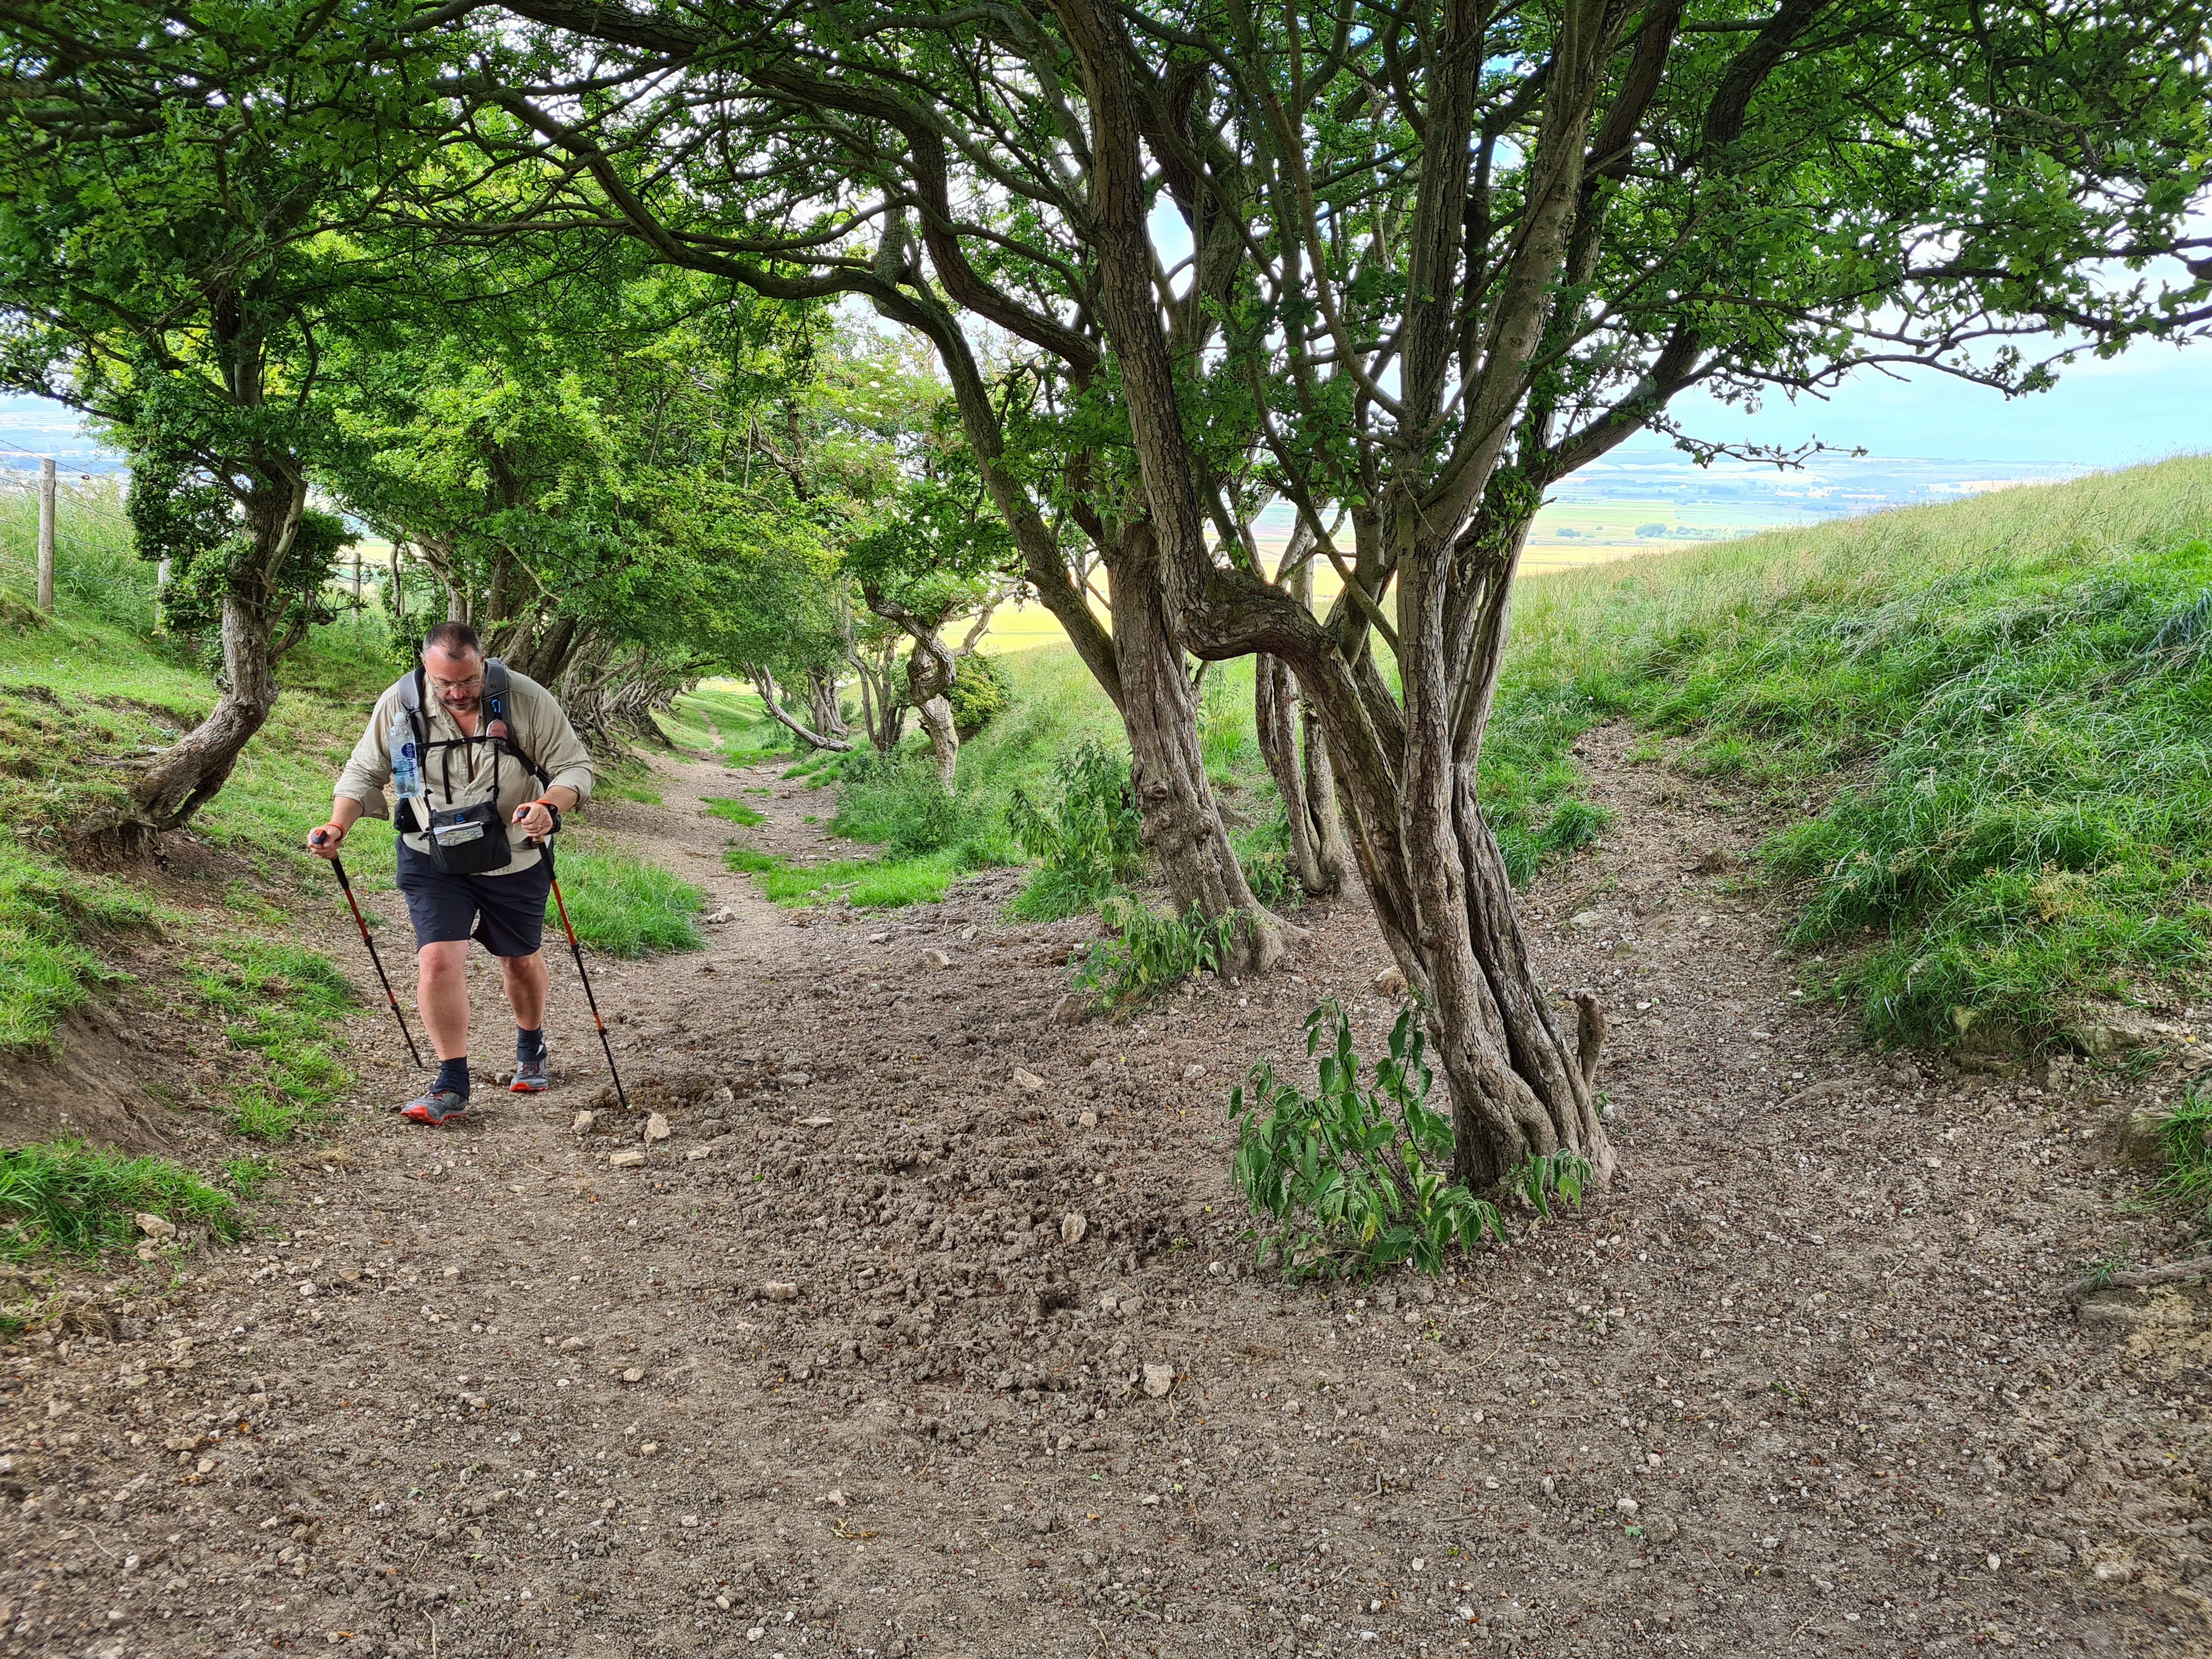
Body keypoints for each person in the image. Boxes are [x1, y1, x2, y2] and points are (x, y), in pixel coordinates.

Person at [309, 622, 597, 1125]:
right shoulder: (399, 705)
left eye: (468, 681)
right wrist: (338, 824)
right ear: (426, 669)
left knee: (520, 960)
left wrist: (551, 804)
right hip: (430, 852)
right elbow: (362, 772)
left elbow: (575, 767)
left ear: (483, 662)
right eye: (445, 685)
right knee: (438, 959)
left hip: (515, 851)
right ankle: (452, 1082)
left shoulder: (527, 698)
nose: (459, 694)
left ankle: (531, 1045)